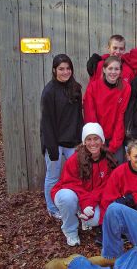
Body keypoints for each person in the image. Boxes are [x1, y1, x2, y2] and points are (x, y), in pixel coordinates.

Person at [51, 123, 117, 246]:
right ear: (84, 142)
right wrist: (85, 202)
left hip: (92, 200)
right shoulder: (75, 160)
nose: (93, 143)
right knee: (67, 198)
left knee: (95, 220)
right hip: (72, 194)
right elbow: (70, 184)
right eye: (89, 139)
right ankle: (70, 230)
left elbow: (105, 188)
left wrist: (90, 204)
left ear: (102, 140)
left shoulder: (108, 161)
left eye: (96, 138)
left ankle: (84, 217)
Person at [40, 54, 83, 219]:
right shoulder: (49, 91)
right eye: (61, 69)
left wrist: (81, 141)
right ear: (54, 70)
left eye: (68, 68)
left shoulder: (76, 88)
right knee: (53, 176)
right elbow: (46, 122)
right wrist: (51, 148)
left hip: (73, 141)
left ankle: (78, 205)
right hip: (55, 142)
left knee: (78, 175)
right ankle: (52, 208)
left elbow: (79, 117)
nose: (65, 72)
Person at [83, 56, 131, 164]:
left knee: (116, 171)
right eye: (110, 68)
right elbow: (90, 116)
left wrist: (114, 145)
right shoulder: (93, 87)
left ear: (120, 71)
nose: (113, 72)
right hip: (96, 139)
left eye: (116, 69)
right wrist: (97, 141)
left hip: (115, 139)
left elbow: (121, 117)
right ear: (104, 69)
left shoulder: (126, 88)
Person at [100, 140, 137, 221]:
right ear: (128, 156)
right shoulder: (118, 172)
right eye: (136, 156)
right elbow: (108, 198)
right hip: (124, 210)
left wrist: (132, 198)